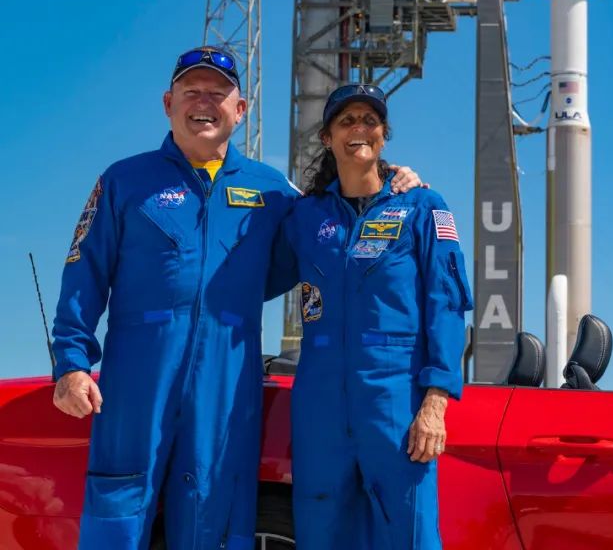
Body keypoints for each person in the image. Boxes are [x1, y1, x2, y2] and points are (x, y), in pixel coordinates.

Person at [50, 47, 422, 550]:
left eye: (218, 94)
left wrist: (392, 179)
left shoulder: (273, 192)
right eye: (192, 92)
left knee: (214, 507)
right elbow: (84, 272)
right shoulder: (124, 181)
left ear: (240, 109)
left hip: (228, 376)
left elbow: (333, 224)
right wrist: (72, 363)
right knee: (118, 506)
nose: (204, 103)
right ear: (168, 103)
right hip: (137, 376)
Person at [282, 83, 472, 549]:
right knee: (320, 531)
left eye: (370, 121)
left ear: (384, 136)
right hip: (320, 400)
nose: (359, 129)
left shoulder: (423, 206)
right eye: (346, 121)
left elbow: (447, 305)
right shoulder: (304, 216)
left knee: (409, 533)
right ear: (327, 137)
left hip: (396, 397)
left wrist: (435, 402)